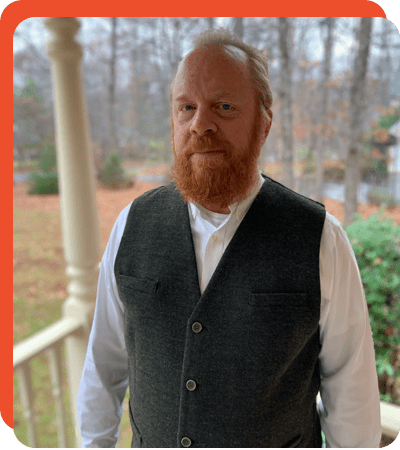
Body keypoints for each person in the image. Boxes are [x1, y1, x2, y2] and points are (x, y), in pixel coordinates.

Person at [77, 29, 381, 448]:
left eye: (223, 106)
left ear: (264, 122)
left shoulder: (321, 239)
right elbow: (103, 367)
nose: (201, 125)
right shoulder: (132, 224)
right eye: (187, 107)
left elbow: (352, 395)